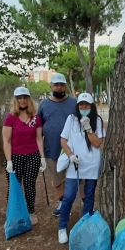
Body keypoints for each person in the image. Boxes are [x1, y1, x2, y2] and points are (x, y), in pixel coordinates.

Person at [57, 93, 106, 243]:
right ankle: (62, 227)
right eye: (81, 104)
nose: (83, 107)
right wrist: (71, 155)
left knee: (89, 196)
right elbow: (63, 141)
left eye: (87, 104)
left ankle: (86, 225)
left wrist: (88, 129)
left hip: (91, 165)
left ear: (92, 106)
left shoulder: (97, 121)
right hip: (75, 164)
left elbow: (98, 143)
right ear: (77, 106)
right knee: (69, 196)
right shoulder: (71, 120)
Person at [2, 87, 46, 225]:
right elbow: (6, 141)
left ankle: (31, 211)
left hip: (32, 156)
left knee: (29, 185)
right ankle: (13, 212)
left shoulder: (35, 118)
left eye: (25, 97)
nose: (22, 100)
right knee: (13, 186)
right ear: (16, 100)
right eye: (19, 98)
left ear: (29, 99)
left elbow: (39, 138)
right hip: (15, 157)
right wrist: (9, 160)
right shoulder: (10, 118)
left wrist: (42, 157)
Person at [38, 73, 77, 216]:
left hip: (72, 149)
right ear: (51, 86)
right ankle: (62, 203)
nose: (59, 87)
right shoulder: (43, 105)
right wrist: (40, 153)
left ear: (65, 86)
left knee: (72, 178)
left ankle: (71, 202)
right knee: (57, 180)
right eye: (56, 84)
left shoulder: (74, 103)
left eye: (61, 85)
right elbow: (38, 129)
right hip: (51, 149)